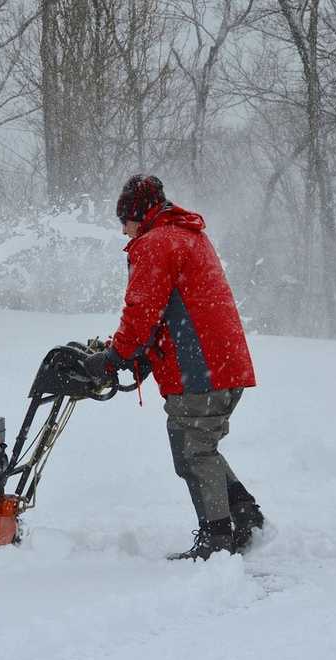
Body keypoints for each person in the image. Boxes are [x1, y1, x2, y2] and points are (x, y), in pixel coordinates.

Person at [84, 174, 264, 561]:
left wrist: (116, 357)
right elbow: (174, 310)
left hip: (200, 370)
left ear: (138, 214)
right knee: (201, 447)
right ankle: (245, 515)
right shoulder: (188, 235)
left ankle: (217, 539)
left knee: (192, 452)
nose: (123, 231)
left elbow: (143, 311)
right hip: (222, 364)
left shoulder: (155, 243)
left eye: (124, 221)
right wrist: (140, 356)